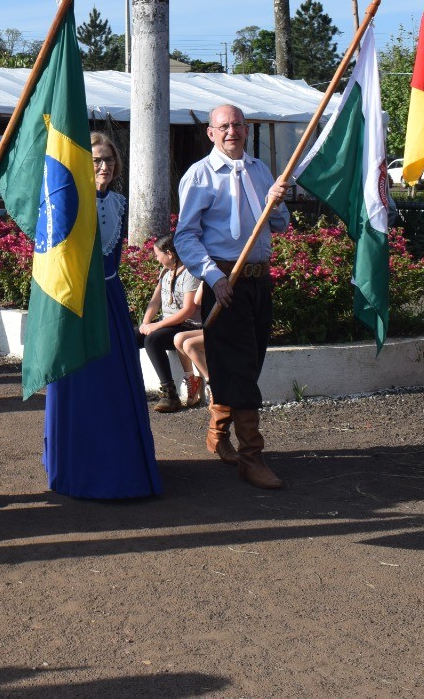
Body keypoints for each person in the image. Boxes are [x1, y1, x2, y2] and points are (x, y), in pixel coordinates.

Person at [174, 104, 290, 490]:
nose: (231, 132)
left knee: (249, 362)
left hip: (258, 281)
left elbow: (279, 224)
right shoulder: (200, 176)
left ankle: (218, 432)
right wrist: (212, 277)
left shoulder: (259, 170)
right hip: (224, 282)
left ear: (245, 129)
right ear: (211, 133)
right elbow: (185, 236)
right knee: (239, 366)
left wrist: (277, 199)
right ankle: (251, 456)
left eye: (238, 125)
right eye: (223, 126)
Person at [41, 132, 163, 500]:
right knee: (81, 385)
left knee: (115, 385)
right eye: (96, 160)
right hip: (76, 305)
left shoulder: (122, 204)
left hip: (109, 300)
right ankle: (79, 463)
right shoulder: (64, 203)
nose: (104, 166)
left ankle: (121, 460)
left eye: (108, 159)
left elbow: (117, 261)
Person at [140, 234, 205, 412]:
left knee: (153, 340)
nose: (156, 258)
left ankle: (169, 394)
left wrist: (156, 326)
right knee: (131, 336)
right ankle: (129, 387)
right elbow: (155, 301)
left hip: (186, 325)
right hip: (168, 324)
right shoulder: (165, 272)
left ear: (169, 253)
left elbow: (188, 311)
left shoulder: (190, 273)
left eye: (157, 254)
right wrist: (145, 324)